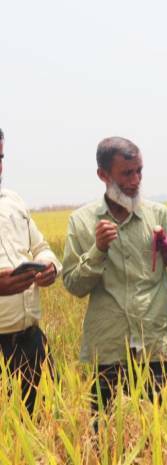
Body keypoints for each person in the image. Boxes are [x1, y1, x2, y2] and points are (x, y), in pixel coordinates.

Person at [63, 136, 167, 411]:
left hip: (157, 347)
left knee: (166, 427)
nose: (136, 180)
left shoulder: (159, 216)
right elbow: (74, 285)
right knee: (105, 430)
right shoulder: (81, 222)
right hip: (108, 351)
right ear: (103, 175)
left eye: (139, 171)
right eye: (127, 173)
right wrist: (98, 249)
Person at [0, 128, 61, 415]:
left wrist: (49, 267)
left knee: (48, 422)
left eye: (0, 157)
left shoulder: (13, 201)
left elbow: (41, 247)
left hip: (30, 342)